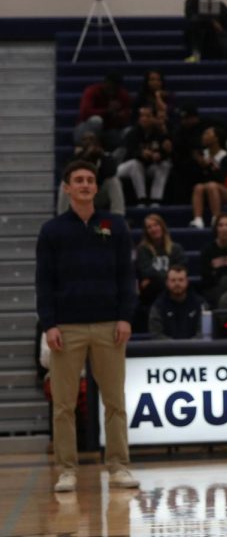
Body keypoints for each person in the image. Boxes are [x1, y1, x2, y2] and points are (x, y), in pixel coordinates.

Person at [35, 160, 140, 492]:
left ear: (96, 188)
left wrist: (125, 316)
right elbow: (43, 282)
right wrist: (49, 324)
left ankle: (119, 466)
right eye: (77, 180)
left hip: (111, 325)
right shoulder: (52, 231)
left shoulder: (116, 225)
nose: (84, 185)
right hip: (67, 328)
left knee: (115, 402)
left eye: (89, 180)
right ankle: (67, 470)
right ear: (67, 188)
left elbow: (127, 276)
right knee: (64, 404)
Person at [56, 132, 125, 216]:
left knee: (113, 180)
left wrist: (101, 156)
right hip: (82, 194)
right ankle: (62, 216)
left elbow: (111, 171)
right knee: (65, 182)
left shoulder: (105, 157)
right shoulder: (77, 157)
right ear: (81, 143)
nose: (89, 142)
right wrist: (85, 156)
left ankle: (118, 216)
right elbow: (67, 172)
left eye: (91, 139)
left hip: (98, 195)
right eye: (85, 139)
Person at [116, 106, 173, 206]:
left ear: (154, 118)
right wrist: (141, 153)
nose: (144, 118)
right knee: (135, 164)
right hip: (127, 167)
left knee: (165, 165)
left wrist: (159, 155)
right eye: (142, 116)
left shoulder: (159, 133)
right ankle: (141, 199)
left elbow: (166, 152)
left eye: (148, 116)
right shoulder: (132, 133)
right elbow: (129, 152)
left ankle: (156, 200)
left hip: (148, 167)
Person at [189, 125, 227, 228]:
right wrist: (199, 165)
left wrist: (209, 166)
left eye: (207, 134)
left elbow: (222, 179)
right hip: (207, 189)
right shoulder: (203, 155)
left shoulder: (225, 157)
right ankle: (198, 219)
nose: (204, 136)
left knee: (211, 186)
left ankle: (216, 218)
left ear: (216, 138)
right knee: (198, 187)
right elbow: (196, 179)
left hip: (226, 190)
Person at [135, 213, 187, 306]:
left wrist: (153, 278)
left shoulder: (176, 248)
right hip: (151, 294)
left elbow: (181, 269)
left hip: (173, 288)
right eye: (149, 227)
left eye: (156, 225)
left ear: (162, 227)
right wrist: (169, 276)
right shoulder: (142, 249)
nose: (153, 229)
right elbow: (145, 271)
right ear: (146, 231)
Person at [74, 72, 132, 149]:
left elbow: (128, 115)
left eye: (115, 88)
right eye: (109, 87)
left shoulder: (122, 95)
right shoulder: (92, 91)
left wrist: (119, 115)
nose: (112, 91)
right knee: (96, 120)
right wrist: (107, 111)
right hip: (85, 132)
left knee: (128, 132)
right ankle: (89, 150)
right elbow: (84, 113)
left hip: (108, 133)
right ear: (104, 83)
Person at [148, 265, 205, 340]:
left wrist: (188, 346)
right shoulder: (158, 306)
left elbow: (203, 332)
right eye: (173, 280)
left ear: (187, 282)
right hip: (166, 350)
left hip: (195, 349)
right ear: (167, 283)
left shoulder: (199, 303)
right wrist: (175, 347)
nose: (177, 283)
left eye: (181, 280)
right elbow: (156, 335)